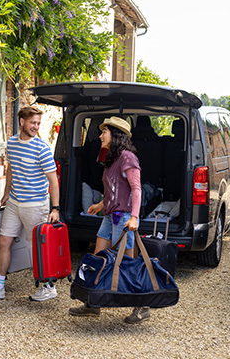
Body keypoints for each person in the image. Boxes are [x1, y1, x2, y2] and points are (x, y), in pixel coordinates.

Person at [67, 116, 149, 324]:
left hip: (123, 219)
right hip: (109, 216)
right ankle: (93, 305)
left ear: (116, 135)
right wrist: (100, 205)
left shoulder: (128, 158)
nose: (100, 135)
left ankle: (142, 306)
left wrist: (134, 217)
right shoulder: (110, 159)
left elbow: (136, 189)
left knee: (125, 264)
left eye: (104, 132)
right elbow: (113, 190)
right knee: (98, 258)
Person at [0, 106, 61, 301]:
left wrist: (55, 208)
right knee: (4, 241)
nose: (36, 127)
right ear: (22, 121)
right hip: (14, 203)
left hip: (35, 205)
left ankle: (49, 287)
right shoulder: (12, 143)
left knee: (38, 247)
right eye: (33, 123)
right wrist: (6, 193)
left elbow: (53, 180)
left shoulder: (42, 148)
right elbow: (11, 169)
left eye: (38, 123)